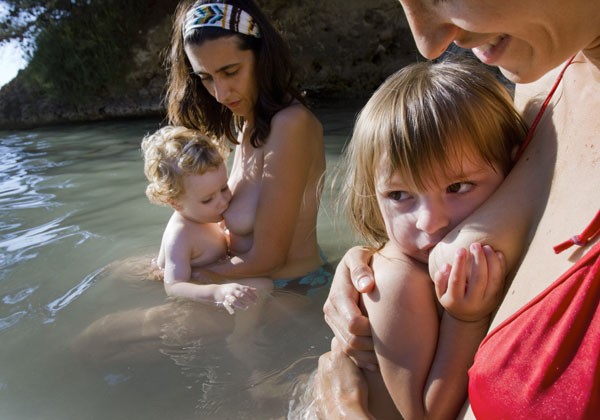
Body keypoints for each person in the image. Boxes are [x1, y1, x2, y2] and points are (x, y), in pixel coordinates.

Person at [315, 1, 600, 419]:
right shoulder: (541, 75)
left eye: (457, 188)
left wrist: (343, 409)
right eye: (398, 196)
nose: (429, 43)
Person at [336, 58, 527, 419]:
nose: (429, 221)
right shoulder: (396, 282)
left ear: (515, 170)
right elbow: (425, 416)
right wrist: (465, 321)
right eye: (398, 195)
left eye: (457, 187)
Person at [165, 0, 331, 294]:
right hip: (251, 286)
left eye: (230, 72)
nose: (219, 93)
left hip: (291, 290)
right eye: (205, 78)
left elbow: (269, 258)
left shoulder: (291, 125)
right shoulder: (248, 125)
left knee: (106, 329)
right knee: (123, 271)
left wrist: (190, 278)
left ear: (262, 58)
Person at [141, 125, 272, 314]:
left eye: (224, 188)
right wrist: (217, 292)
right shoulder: (180, 235)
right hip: (191, 292)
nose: (223, 201)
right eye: (207, 199)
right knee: (262, 286)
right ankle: (242, 338)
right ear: (176, 203)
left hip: (208, 275)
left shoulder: (206, 215)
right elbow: (173, 286)